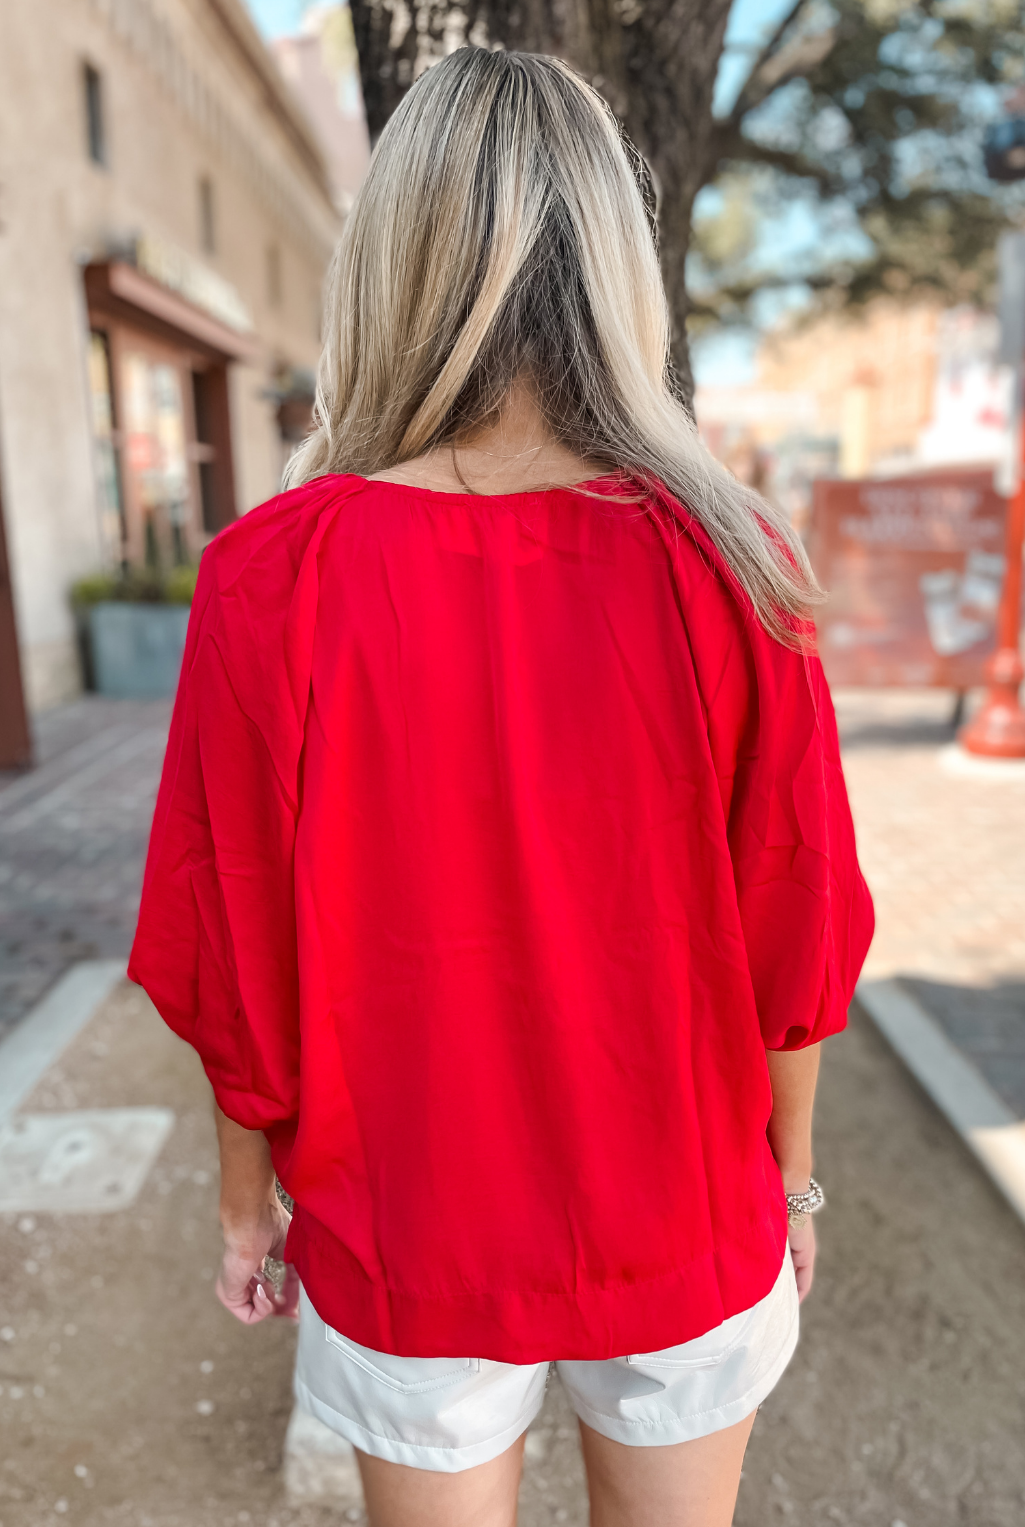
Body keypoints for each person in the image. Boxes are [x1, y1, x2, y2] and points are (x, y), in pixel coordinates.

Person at [129, 46, 873, 1527]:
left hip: (408, 1222)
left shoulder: (274, 575)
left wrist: (241, 1203)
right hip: (680, 1210)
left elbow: (228, 945)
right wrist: (788, 1178)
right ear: (615, 260)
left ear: (392, 262)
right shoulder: (734, 563)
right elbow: (800, 934)